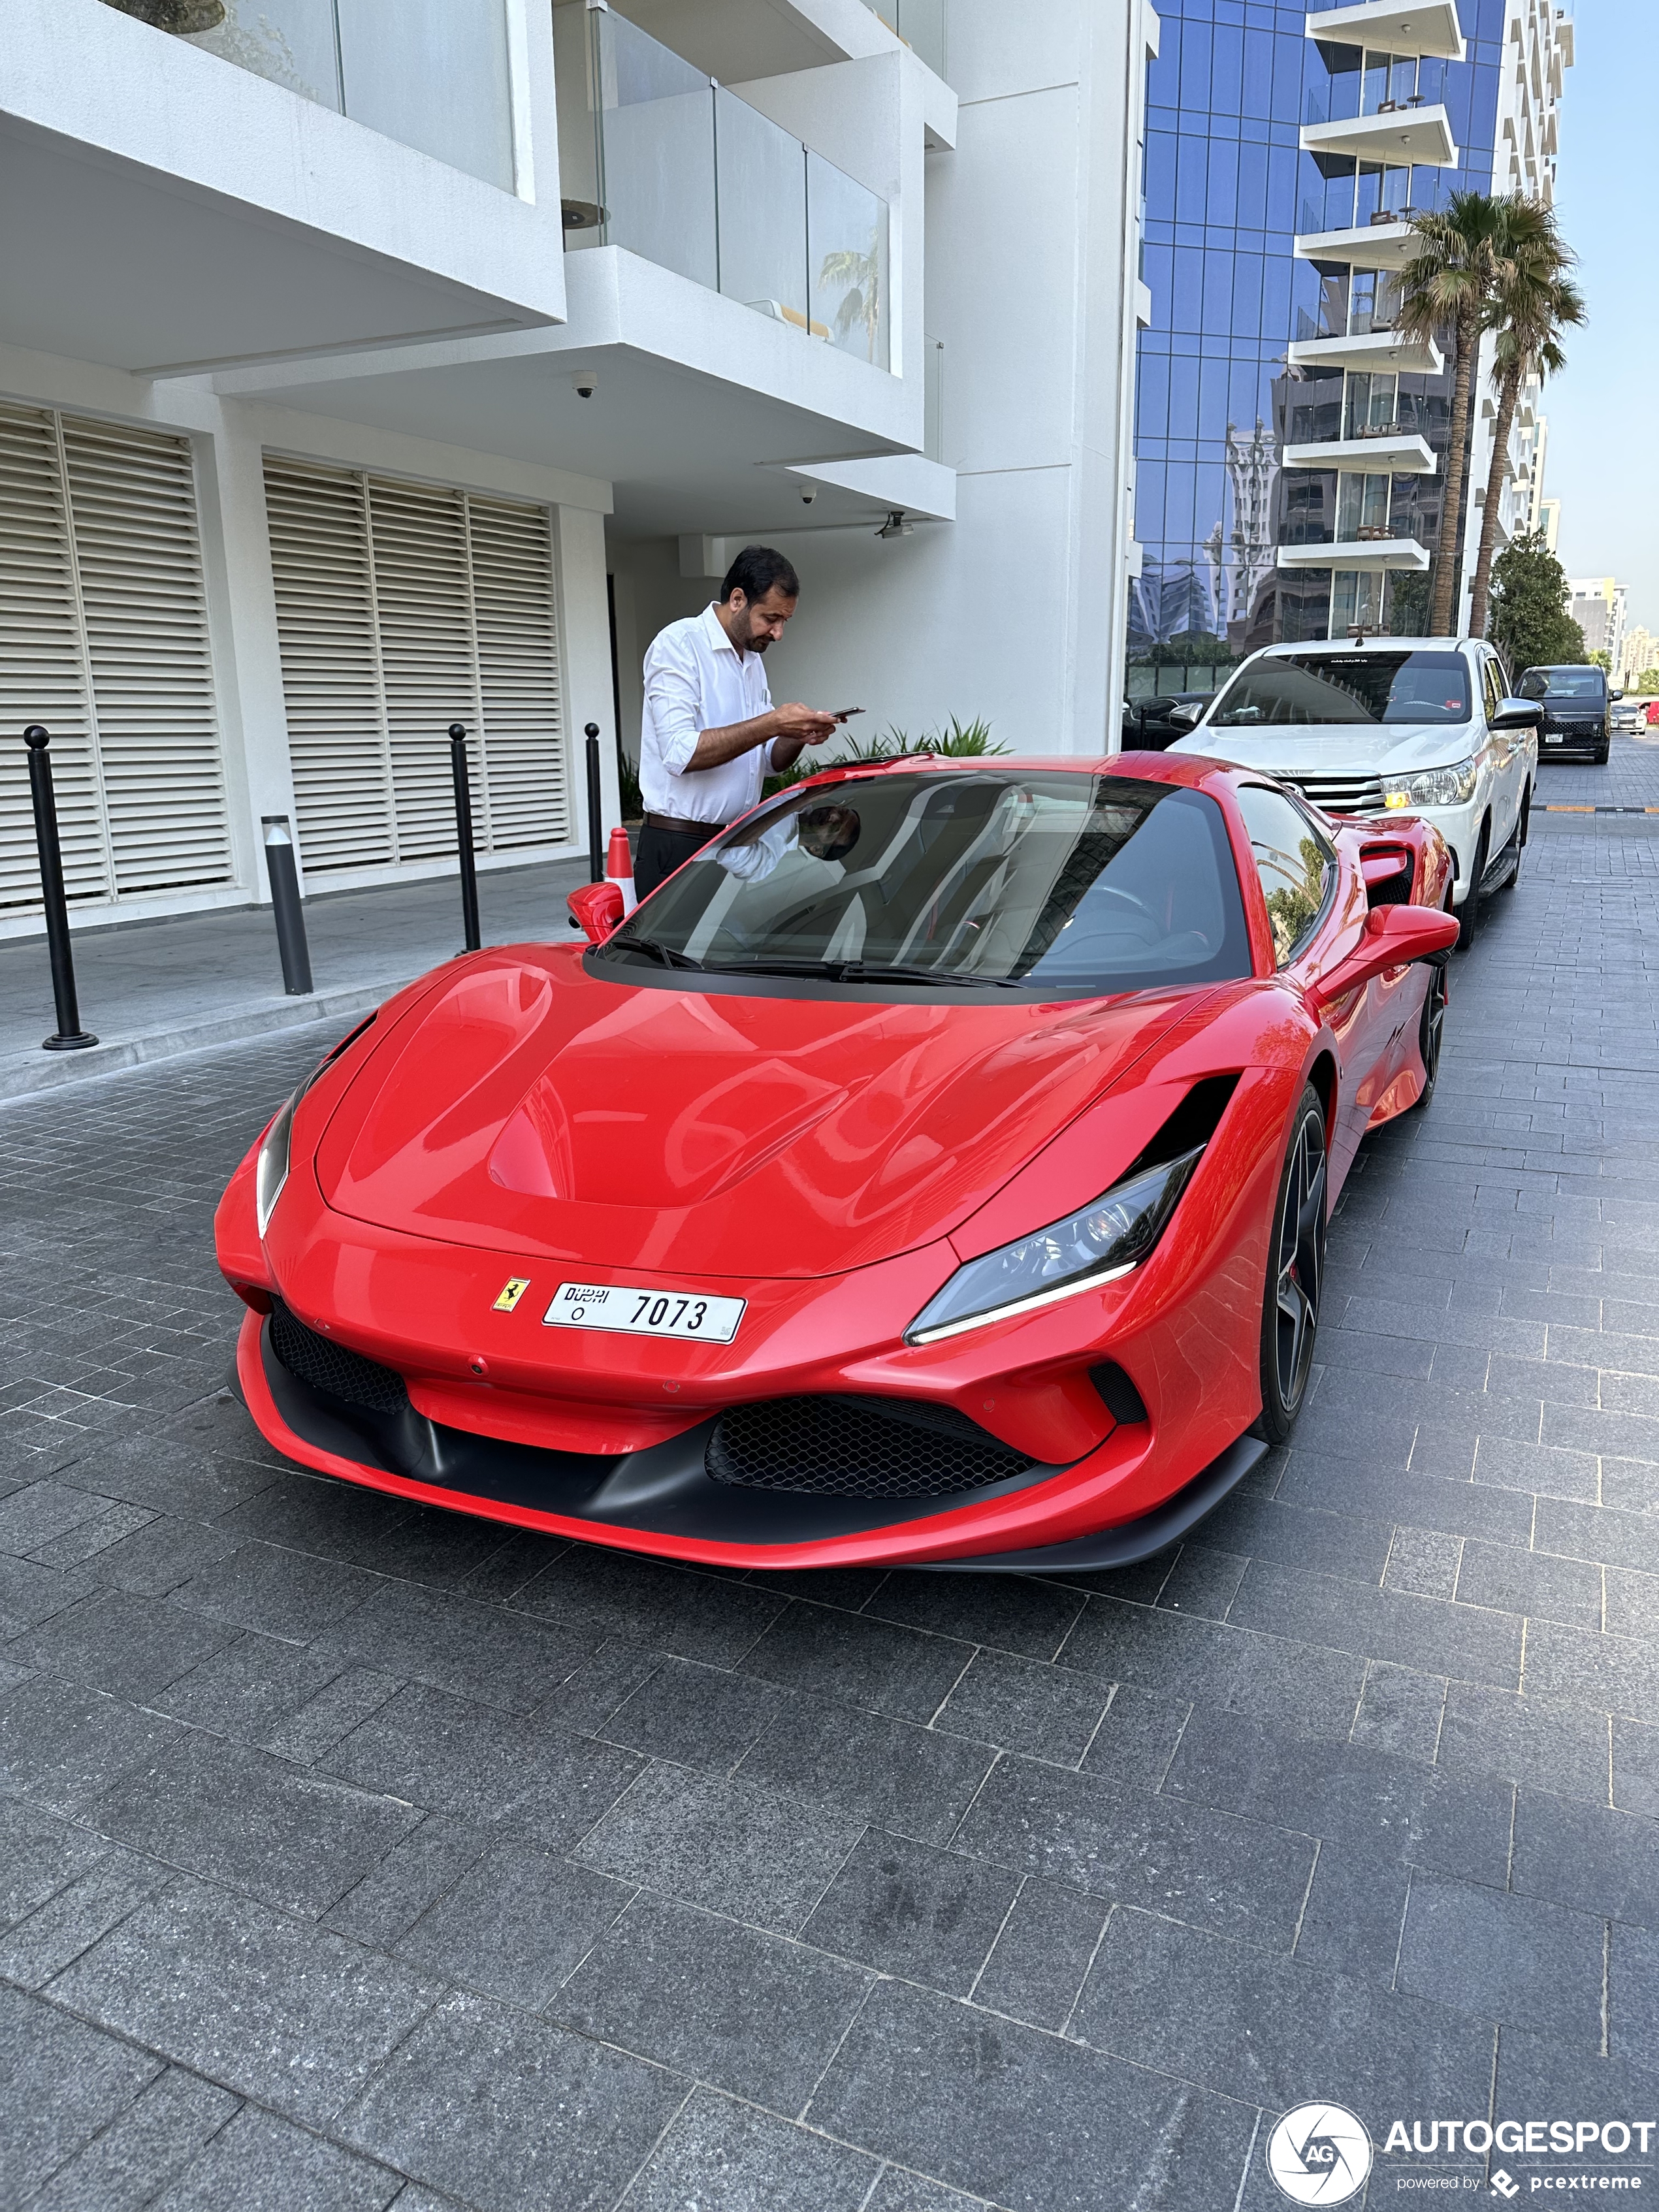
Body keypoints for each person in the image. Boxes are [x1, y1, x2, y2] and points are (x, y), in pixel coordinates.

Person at [635, 545, 839, 899]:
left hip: (737, 847)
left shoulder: (750, 660)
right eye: (771, 618)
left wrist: (797, 735)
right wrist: (773, 723)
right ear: (738, 599)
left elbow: (766, 762)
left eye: (785, 621)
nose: (778, 633)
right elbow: (680, 754)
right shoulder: (679, 645)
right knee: (674, 957)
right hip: (679, 847)